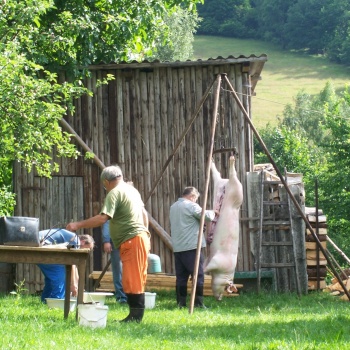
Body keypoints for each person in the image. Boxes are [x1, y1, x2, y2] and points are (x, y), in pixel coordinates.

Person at [66, 165, 150, 323]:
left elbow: (102, 218)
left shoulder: (114, 193)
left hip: (132, 239)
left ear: (106, 181)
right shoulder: (132, 190)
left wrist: (77, 225)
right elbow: (144, 214)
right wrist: (146, 234)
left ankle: (135, 317)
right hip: (138, 238)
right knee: (132, 278)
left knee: (133, 279)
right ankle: (134, 315)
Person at [169, 186, 216, 308]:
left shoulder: (173, 207)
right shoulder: (191, 205)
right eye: (195, 199)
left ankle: (181, 303)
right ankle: (198, 303)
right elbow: (207, 217)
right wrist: (213, 212)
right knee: (198, 275)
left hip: (178, 247)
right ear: (192, 196)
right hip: (191, 247)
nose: (196, 201)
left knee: (181, 277)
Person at [38, 228, 94, 303]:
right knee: (60, 275)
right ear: (83, 242)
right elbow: (72, 263)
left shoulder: (72, 238)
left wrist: (78, 285)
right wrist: (73, 285)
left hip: (38, 245)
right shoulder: (75, 241)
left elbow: (75, 266)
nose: (87, 252)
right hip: (40, 248)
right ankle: (57, 303)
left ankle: (45, 302)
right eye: (88, 249)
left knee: (51, 279)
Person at [102, 221, 127, 304]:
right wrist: (106, 240)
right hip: (116, 241)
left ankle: (133, 296)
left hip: (130, 240)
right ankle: (121, 297)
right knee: (117, 269)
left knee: (130, 269)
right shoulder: (114, 208)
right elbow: (107, 222)